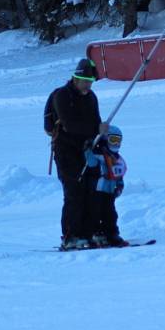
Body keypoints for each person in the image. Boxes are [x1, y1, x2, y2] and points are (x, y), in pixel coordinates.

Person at [47, 58, 109, 250]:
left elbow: (95, 121)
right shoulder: (62, 96)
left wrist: (102, 138)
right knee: (73, 192)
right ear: (75, 78)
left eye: (90, 82)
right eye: (85, 81)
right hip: (65, 151)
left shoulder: (91, 97)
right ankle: (70, 236)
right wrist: (96, 129)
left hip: (86, 150)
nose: (88, 85)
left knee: (91, 191)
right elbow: (70, 125)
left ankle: (88, 233)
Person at [85, 125, 128, 247]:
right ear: (106, 139)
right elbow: (91, 164)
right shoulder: (99, 154)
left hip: (109, 191)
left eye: (118, 140)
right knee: (95, 212)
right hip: (98, 190)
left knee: (110, 214)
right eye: (113, 140)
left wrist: (119, 186)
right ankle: (96, 233)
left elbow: (119, 174)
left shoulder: (117, 159)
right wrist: (88, 150)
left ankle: (112, 234)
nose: (116, 143)